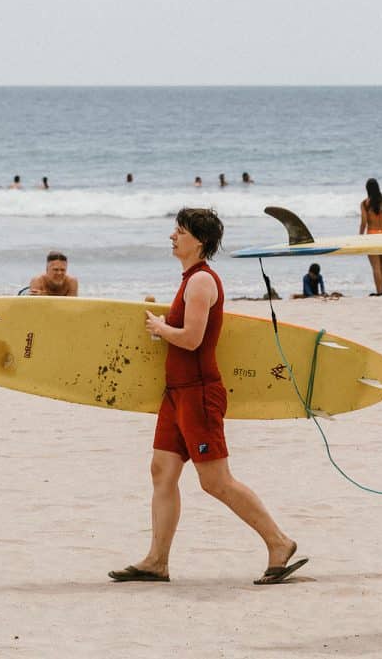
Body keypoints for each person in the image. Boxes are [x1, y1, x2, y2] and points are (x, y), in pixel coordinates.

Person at [108, 208, 306, 585]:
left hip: (198, 393)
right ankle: (156, 561)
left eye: (180, 232)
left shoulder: (201, 281)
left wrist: (161, 328)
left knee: (215, 481)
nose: (172, 237)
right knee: (162, 471)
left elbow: (192, 339)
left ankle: (279, 542)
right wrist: (165, 330)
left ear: (198, 241)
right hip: (176, 393)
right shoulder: (189, 279)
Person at [359, 177, 382, 295]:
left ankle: (378, 291)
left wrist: (360, 236)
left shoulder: (365, 203)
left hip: (371, 235)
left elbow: (364, 222)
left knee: (375, 266)